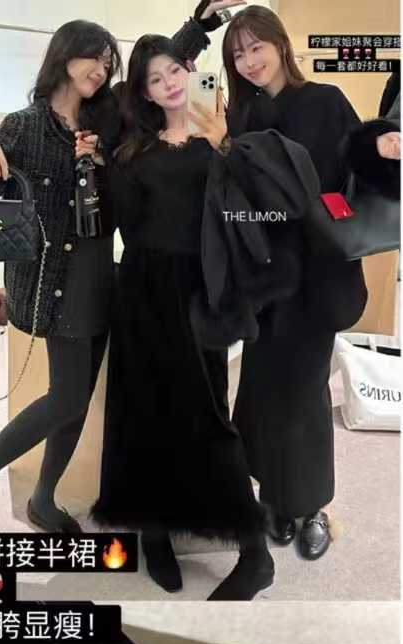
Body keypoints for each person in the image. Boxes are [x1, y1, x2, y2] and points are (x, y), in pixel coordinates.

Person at [0, 6, 240, 535]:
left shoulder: (106, 116)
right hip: (53, 275)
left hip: (101, 271)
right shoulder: (24, 125)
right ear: (64, 56)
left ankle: (44, 499)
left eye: (108, 61)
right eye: (94, 56)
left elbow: (154, 74)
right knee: (67, 396)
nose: (102, 68)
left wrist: (200, 27)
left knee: (79, 399)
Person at [91, 36, 273, 600]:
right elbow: (124, 218)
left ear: (189, 71)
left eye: (175, 70)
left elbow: (253, 203)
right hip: (140, 288)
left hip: (198, 288)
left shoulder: (218, 130)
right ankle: (155, 533)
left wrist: (225, 144)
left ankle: (255, 552)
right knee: (143, 412)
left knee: (210, 415)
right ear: (143, 93)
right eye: (155, 78)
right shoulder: (133, 146)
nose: (169, 83)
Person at [223, 6, 401, 561]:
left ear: (280, 45)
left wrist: (380, 145)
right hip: (265, 276)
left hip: (318, 273)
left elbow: (354, 154)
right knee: (263, 390)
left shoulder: (324, 99)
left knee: (303, 394)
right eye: (238, 54)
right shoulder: (242, 113)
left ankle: (312, 506)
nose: (250, 62)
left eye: (257, 47)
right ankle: (277, 498)